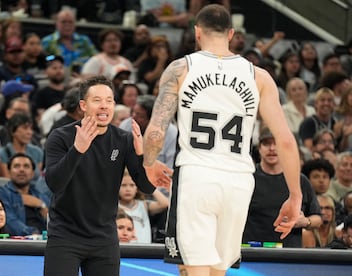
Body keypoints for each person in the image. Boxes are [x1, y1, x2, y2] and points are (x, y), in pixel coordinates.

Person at [142, 5, 302, 275]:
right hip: (239, 180)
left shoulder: (181, 68)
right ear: (231, 34)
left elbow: (157, 129)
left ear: (197, 32)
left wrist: (149, 163)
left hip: (197, 174)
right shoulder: (259, 76)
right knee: (219, 270)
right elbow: (285, 140)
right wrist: (295, 195)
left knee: (194, 269)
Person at [43, 75, 171, 276]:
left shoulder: (123, 139)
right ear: (83, 105)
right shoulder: (61, 136)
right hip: (65, 235)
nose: (104, 106)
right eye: (97, 101)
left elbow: (146, 188)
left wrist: (141, 156)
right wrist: (78, 149)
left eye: (109, 101)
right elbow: (54, 183)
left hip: (104, 238)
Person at [243, 128, 322, 248]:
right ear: (259, 148)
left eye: (276, 143)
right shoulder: (247, 178)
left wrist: (304, 221)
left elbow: (317, 218)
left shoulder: (299, 180)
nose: (272, 148)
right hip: (252, 252)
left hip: (288, 254)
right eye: (266, 143)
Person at [0, 153, 49, 236]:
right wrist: (33, 233)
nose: (21, 170)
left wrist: (42, 205)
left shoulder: (42, 196)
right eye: (16, 166)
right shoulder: (0, 195)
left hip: (43, 242)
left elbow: (54, 223)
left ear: (33, 173)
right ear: (9, 172)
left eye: (26, 166)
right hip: (17, 244)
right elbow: (10, 222)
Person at [118, 168, 169, 243]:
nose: (128, 189)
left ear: (137, 188)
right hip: (122, 249)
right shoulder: (113, 206)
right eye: (123, 185)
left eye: (132, 185)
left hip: (144, 250)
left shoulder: (144, 205)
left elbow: (165, 203)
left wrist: (147, 185)